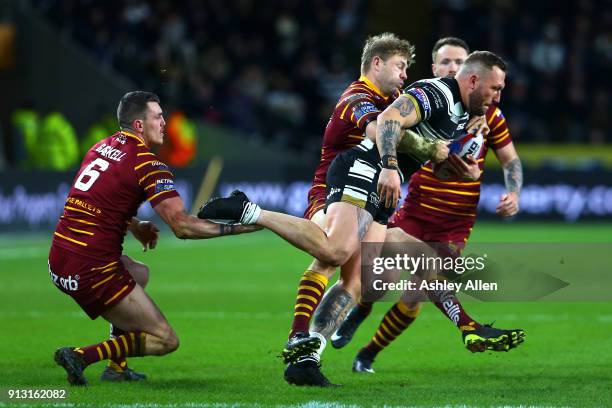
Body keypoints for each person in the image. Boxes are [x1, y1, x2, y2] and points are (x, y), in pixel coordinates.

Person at [198, 50, 508, 386]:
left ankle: (308, 358)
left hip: (384, 188)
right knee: (333, 252)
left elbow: (425, 155)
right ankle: (249, 211)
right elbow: (389, 121)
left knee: (364, 278)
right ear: (473, 81)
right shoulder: (435, 93)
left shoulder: (461, 115)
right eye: (495, 88)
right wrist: (390, 165)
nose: (497, 97)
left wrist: (460, 173)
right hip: (364, 171)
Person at [330, 38, 525, 374]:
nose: (453, 68)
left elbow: (510, 160)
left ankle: (368, 353)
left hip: (455, 221)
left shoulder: (488, 113)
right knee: (378, 281)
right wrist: (397, 164)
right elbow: (396, 128)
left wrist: (512, 192)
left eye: (459, 62)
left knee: (418, 291)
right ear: (436, 69)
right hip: (416, 208)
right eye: (446, 63)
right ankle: (360, 311)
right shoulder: (430, 101)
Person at [49, 91, 259, 386]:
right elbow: (182, 226)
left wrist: (133, 225)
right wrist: (242, 227)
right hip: (90, 268)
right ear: (138, 125)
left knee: (139, 273)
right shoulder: (147, 163)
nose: (164, 123)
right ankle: (83, 356)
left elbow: (93, 201)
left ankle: (117, 368)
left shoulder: (101, 147)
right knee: (165, 340)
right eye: (158, 117)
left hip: (59, 260)